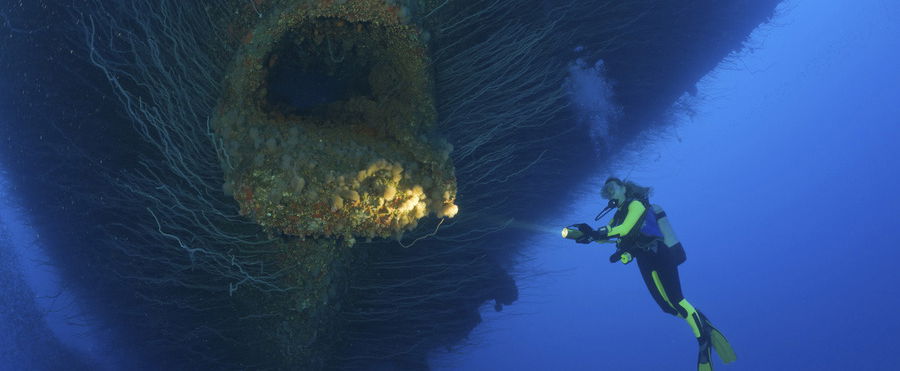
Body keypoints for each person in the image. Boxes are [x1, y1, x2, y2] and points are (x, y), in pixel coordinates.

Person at [571, 177, 736, 371]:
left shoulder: (637, 204)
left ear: (624, 188)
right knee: (667, 307)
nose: (609, 193)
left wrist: (599, 233)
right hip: (643, 259)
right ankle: (700, 321)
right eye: (605, 192)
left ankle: (702, 341)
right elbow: (610, 234)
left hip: (659, 252)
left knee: (676, 299)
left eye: (612, 188)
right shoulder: (617, 215)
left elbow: (624, 230)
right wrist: (588, 235)